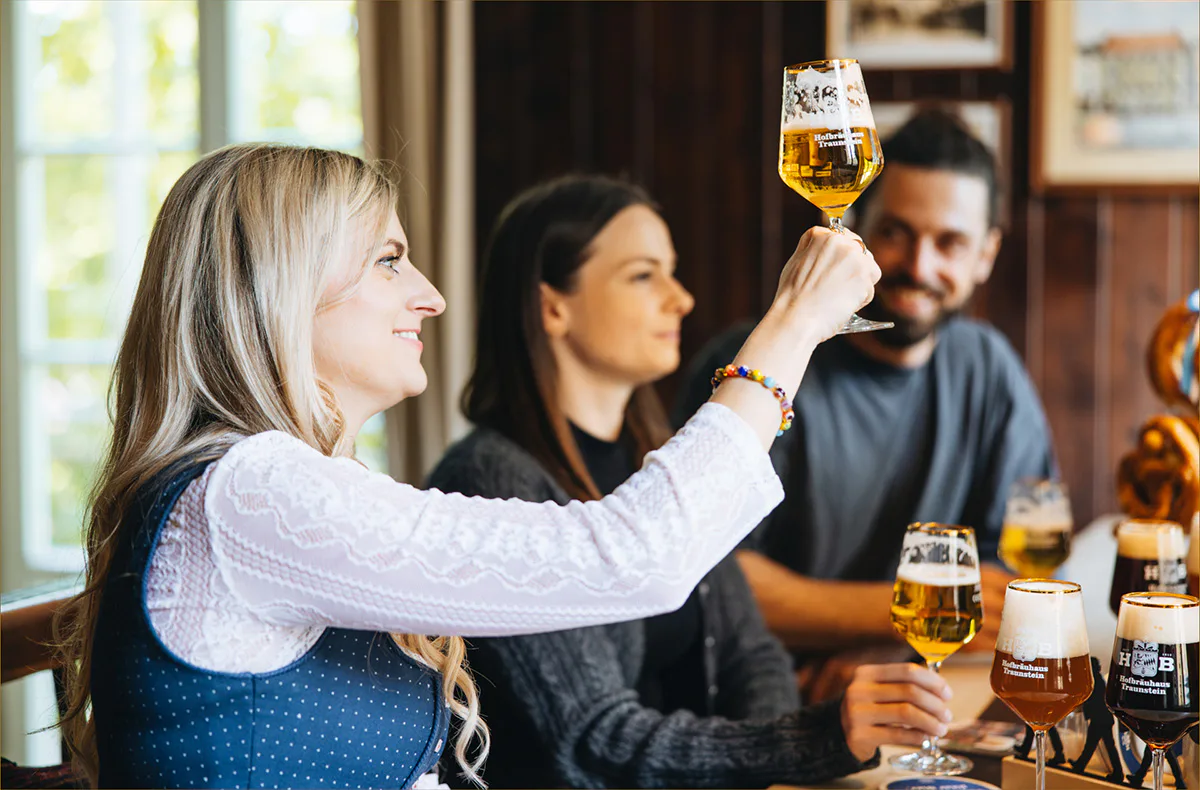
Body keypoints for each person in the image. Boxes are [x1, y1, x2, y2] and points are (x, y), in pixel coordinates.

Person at [52, 144, 879, 789]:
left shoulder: (261, 487)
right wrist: (793, 327)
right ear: (281, 287)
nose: (431, 295)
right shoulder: (250, 492)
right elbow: (637, 555)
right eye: (388, 259)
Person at [426, 175, 955, 788]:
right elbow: (595, 741)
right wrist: (816, 737)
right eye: (644, 275)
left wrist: (781, 757)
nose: (681, 299)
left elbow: (752, 654)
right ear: (552, 306)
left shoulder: (660, 453)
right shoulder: (490, 479)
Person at [676, 108, 1057, 699]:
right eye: (897, 231)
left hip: (917, 684)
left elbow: (1011, 581)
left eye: (950, 242)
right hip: (759, 701)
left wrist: (896, 646)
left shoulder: (989, 369)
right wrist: (912, 614)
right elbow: (713, 577)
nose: (920, 265)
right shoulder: (759, 363)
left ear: (986, 254)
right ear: (857, 228)